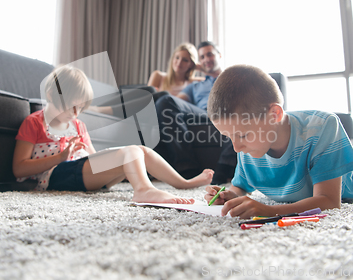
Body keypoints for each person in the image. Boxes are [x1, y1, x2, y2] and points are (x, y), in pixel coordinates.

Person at [203, 64, 353, 218]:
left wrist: (271, 211)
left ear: (274, 114)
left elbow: (330, 201)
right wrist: (228, 195)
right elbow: (240, 187)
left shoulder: (322, 126)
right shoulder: (248, 149)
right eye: (229, 137)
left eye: (242, 135)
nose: (236, 147)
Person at [12, 65, 214, 204]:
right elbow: (19, 169)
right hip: (56, 176)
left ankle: (183, 182)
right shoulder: (35, 122)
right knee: (129, 153)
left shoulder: (79, 126)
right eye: (72, 106)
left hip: (83, 173)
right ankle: (143, 190)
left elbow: (92, 157)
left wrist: (110, 159)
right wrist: (60, 157)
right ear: (51, 96)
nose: (76, 114)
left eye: (80, 108)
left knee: (139, 150)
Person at [154, 41, 237, 182]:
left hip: (226, 111)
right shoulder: (196, 85)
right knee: (164, 101)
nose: (206, 59)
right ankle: (187, 168)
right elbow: (174, 101)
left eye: (209, 55)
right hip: (203, 114)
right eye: (202, 57)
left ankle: (223, 169)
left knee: (238, 113)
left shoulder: (232, 78)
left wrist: (206, 68)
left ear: (219, 55)